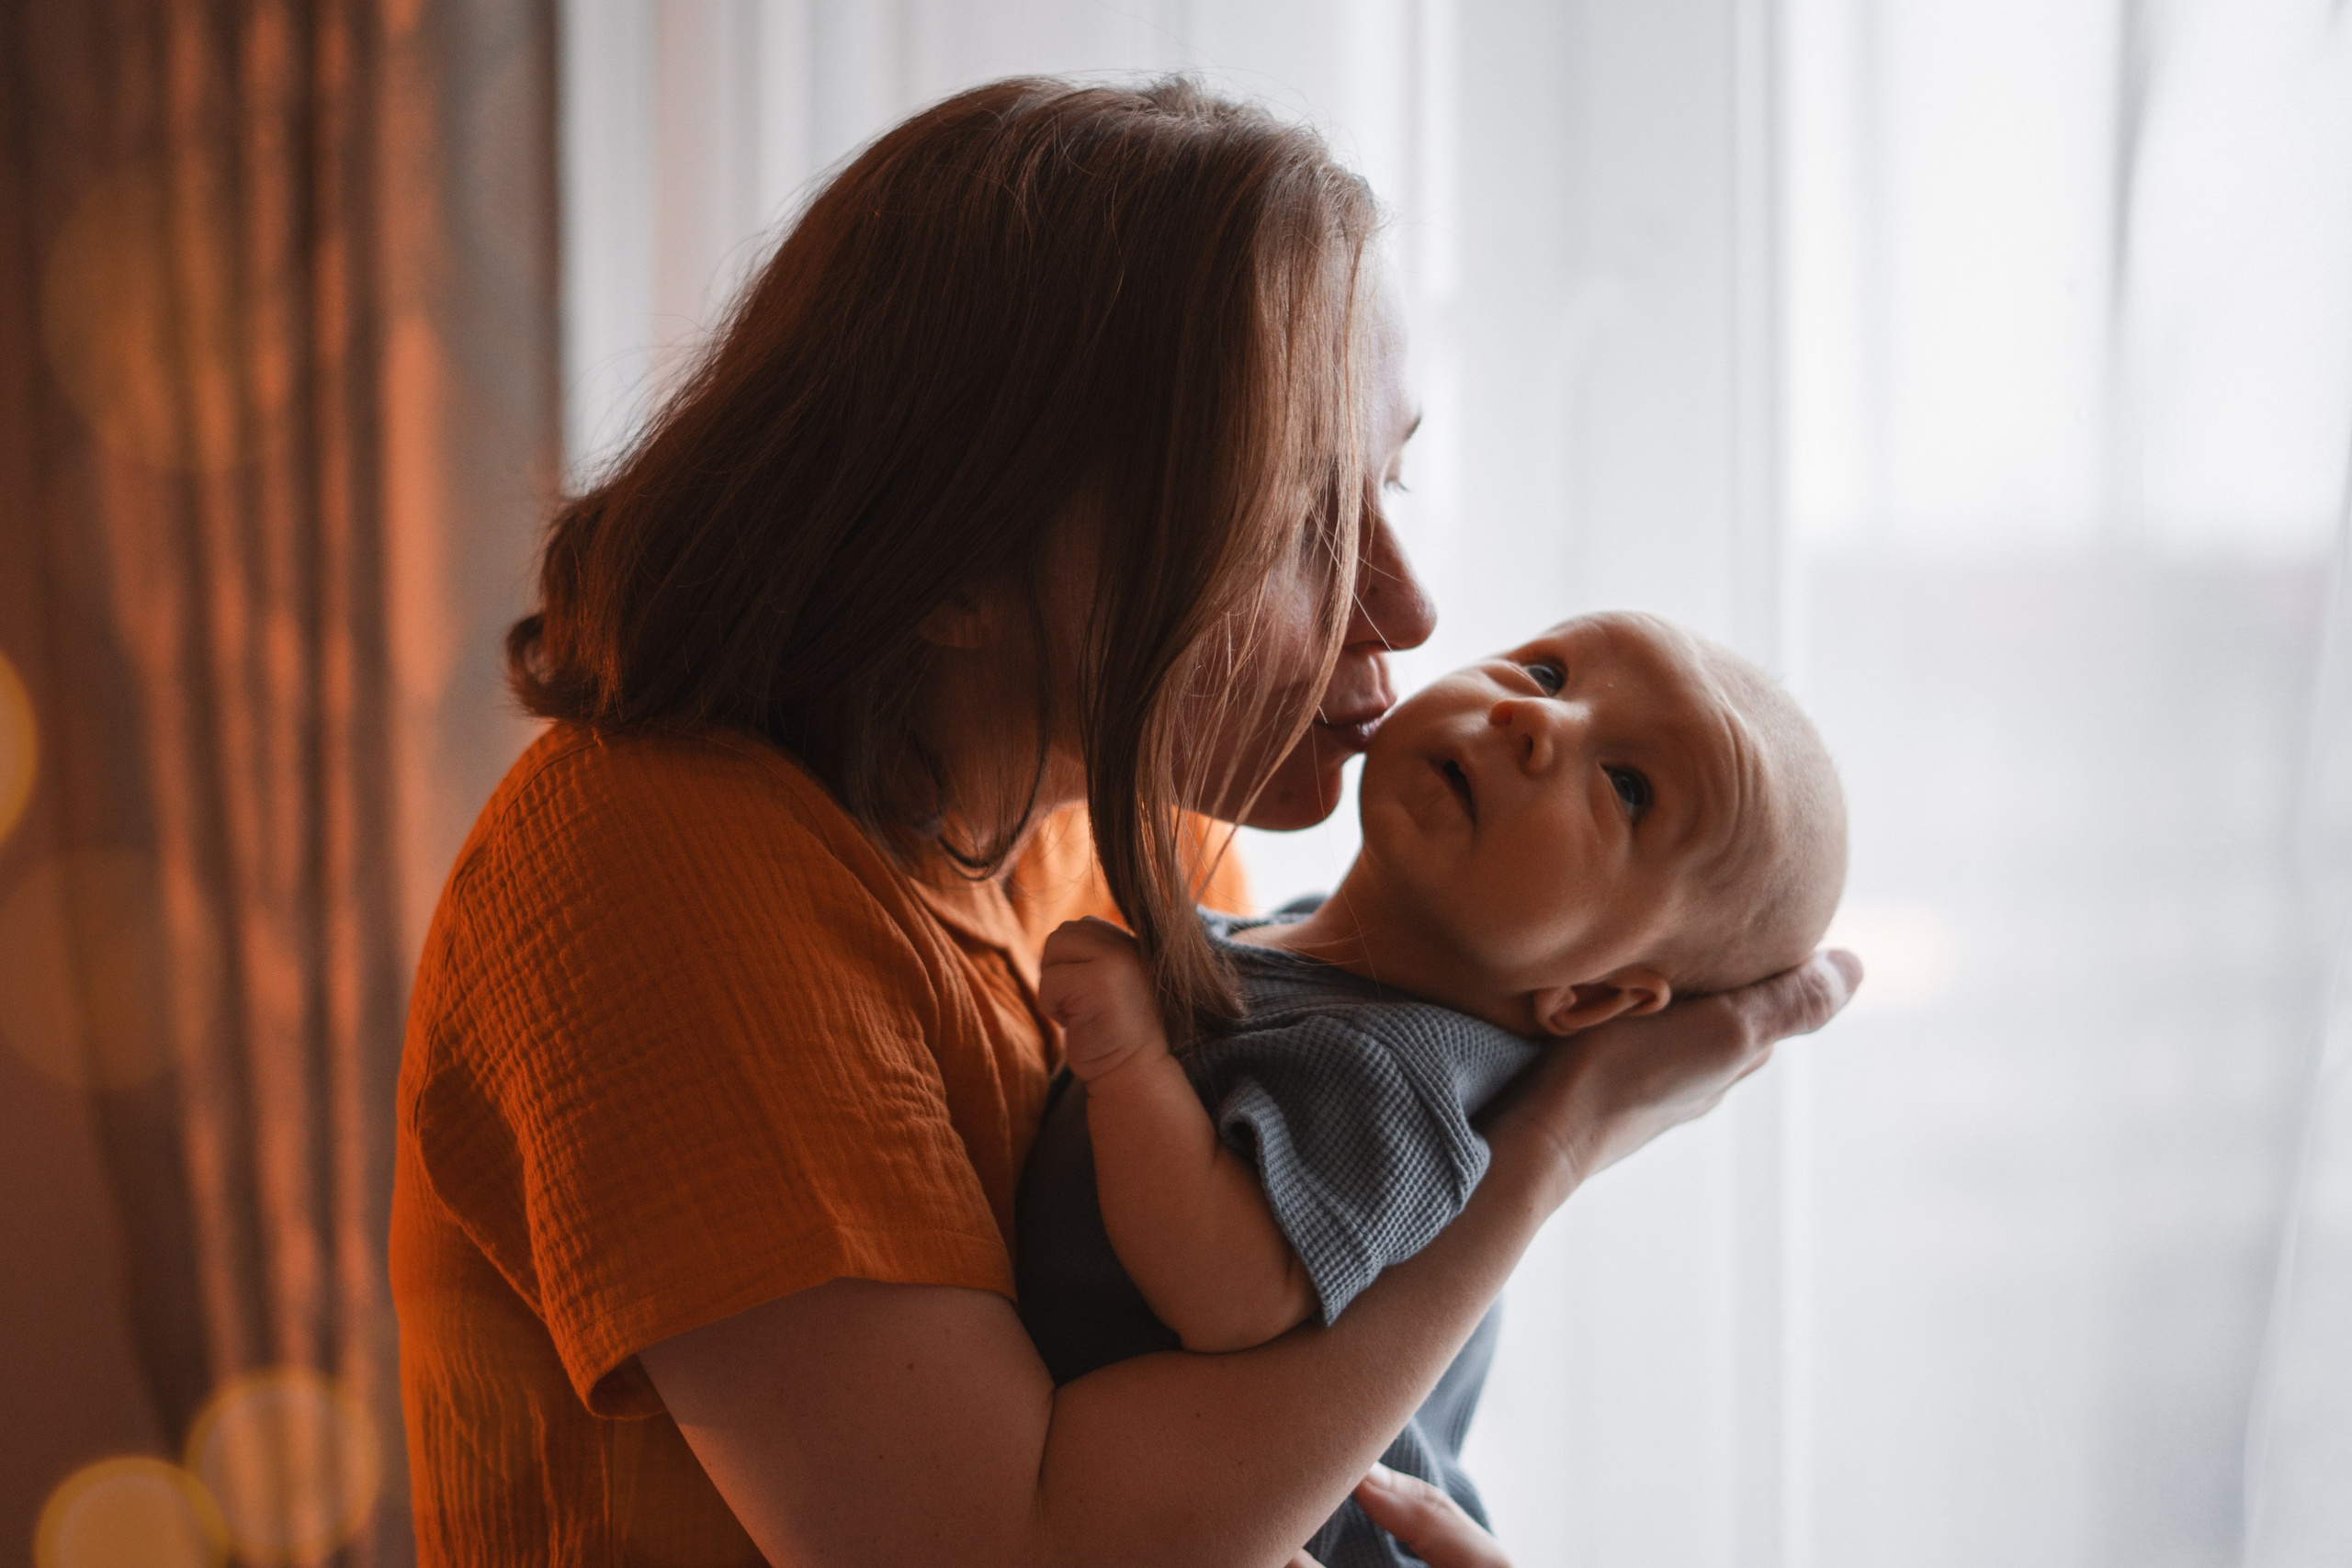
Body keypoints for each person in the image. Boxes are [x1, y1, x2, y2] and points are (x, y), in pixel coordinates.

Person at [389, 75, 1860, 1568]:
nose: (1408, 607)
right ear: (947, 567)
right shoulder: (661, 876)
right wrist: (1561, 1138)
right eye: (1293, 520)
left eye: (1392, 477)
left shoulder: (1121, 829)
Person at [1017, 611, 1848, 1566]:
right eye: (1545, 671)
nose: (1536, 722)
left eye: (1627, 787)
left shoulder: (1397, 1077)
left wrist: (1127, 1061)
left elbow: (1232, 1294)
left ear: (1593, 995)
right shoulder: (1302, 953)